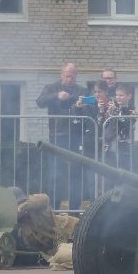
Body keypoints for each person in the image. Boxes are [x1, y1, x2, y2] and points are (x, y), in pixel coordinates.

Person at [34, 62, 84, 205]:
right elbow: (40, 102)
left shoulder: (81, 90)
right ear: (62, 74)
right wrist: (56, 96)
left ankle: (75, 211)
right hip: (57, 135)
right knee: (56, 174)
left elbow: (90, 107)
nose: (70, 79)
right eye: (68, 76)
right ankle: (54, 209)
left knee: (76, 174)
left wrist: (82, 105)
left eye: (73, 76)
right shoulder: (51, 88)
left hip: (76, 136)